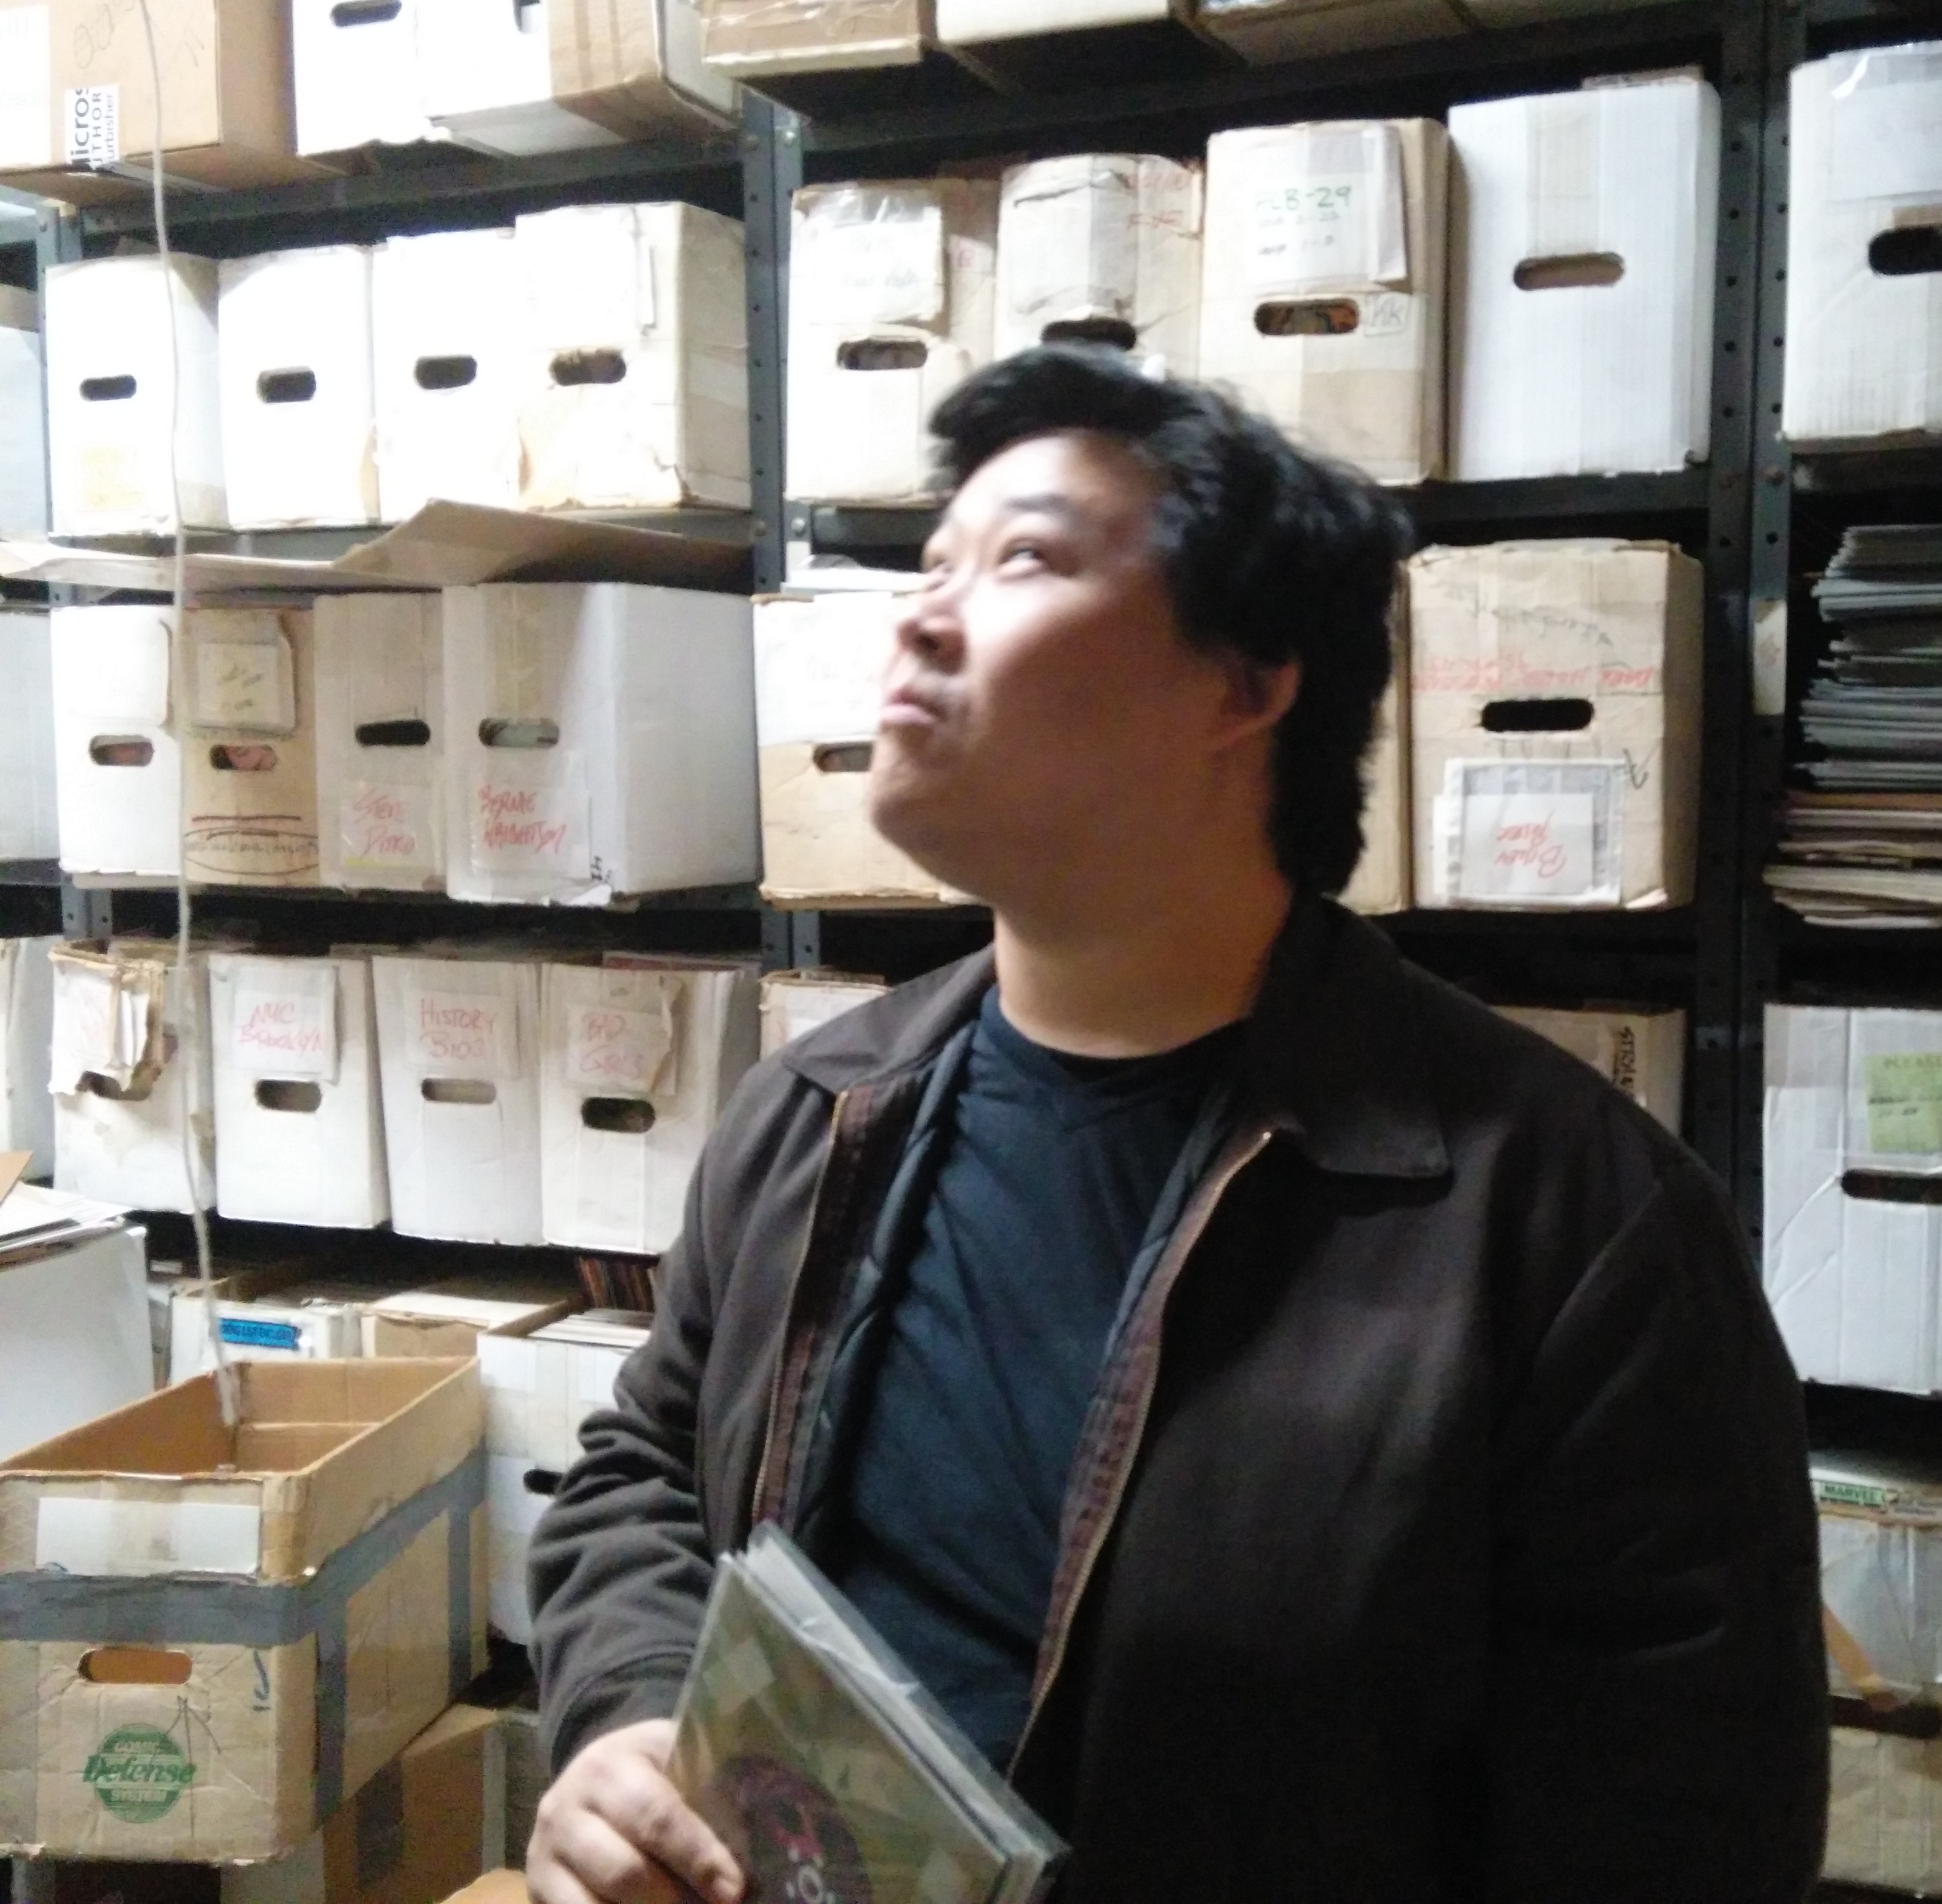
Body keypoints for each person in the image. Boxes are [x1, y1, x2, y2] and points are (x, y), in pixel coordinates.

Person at [523, 344, 1827, 1904]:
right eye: (931, 564)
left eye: (1023, 560)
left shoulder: (1567, 1225)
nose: (918, 617)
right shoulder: (817, 1109)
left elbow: (1681, 1827)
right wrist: (631, 1712)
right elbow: (648, 1466)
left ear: (1245, 683)